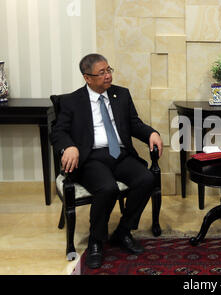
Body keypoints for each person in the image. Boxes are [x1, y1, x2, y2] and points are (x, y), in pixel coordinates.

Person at [51, 53, 163, 269]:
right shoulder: (72, 101)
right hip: (91, 157)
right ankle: (96, 240)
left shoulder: (121, 95)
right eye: (101, 73)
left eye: (109, 70)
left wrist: (151, 133)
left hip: (120, 154)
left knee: (147, 178)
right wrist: (69, 146)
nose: (108, 76)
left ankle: (123, 231)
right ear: (87, 78)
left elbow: (134, 123)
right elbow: (58, 132)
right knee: (107, 188)